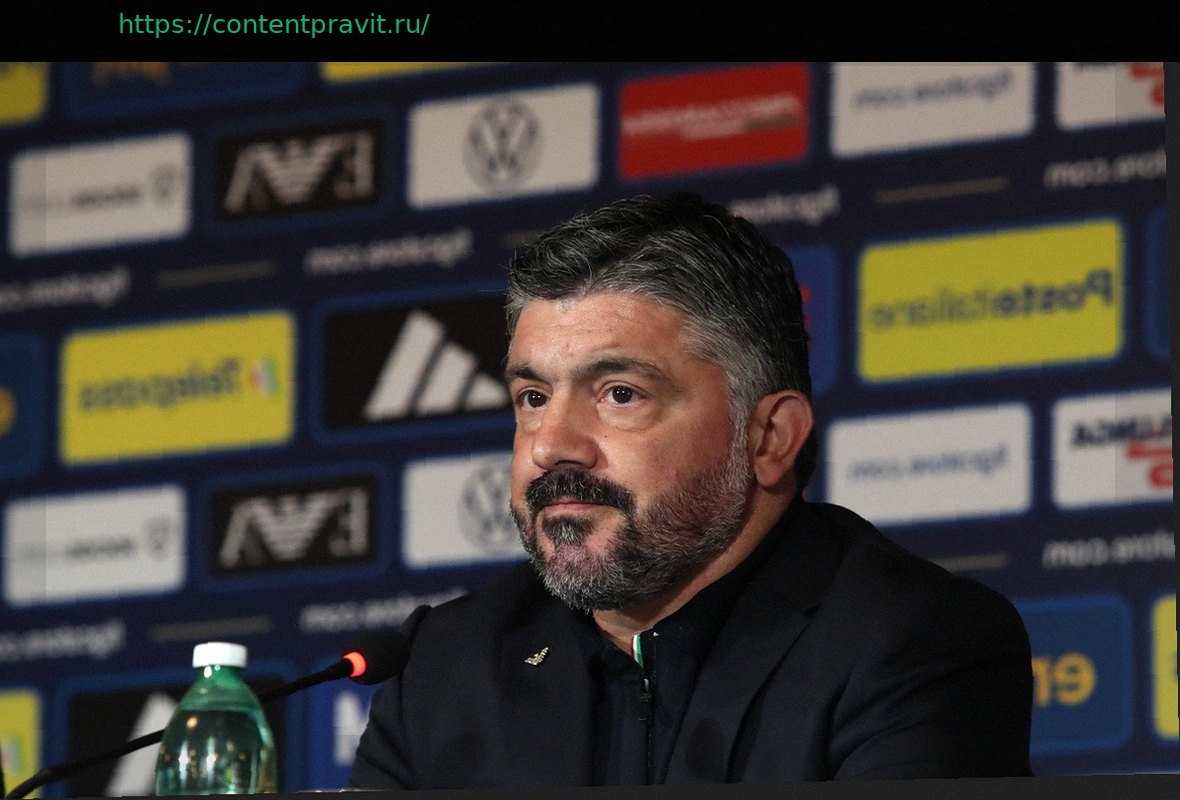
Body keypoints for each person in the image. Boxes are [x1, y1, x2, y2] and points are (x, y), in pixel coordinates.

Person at [350, 193, 1033, 788]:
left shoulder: (910, 642)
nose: (549, 445)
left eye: (619, 394)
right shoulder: (443, 668)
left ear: (769, 437)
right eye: (533, 397)